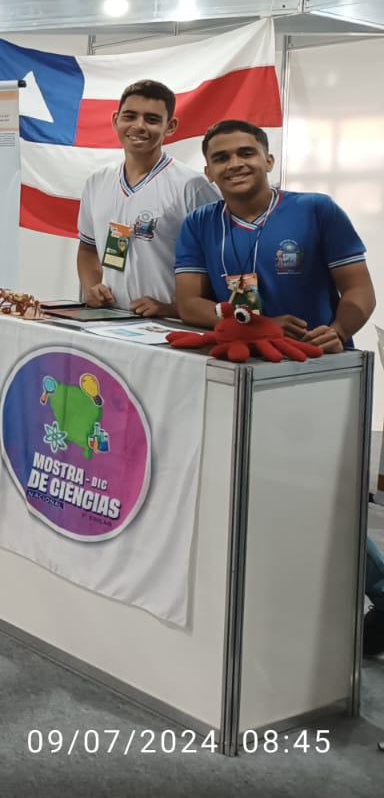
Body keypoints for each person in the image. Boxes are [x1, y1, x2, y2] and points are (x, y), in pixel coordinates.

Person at [173, 119, 382, 651]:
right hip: (241, 376)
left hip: (316, 374)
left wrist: (338, 330)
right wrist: (248, 321)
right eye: (222, 157)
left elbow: (360, 291)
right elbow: (189, 302)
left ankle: (376, 594)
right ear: (208, 171)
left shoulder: (316, 210)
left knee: (323, 496)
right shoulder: (200, 223)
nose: (235, 164)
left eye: (246, 152)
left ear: (268, 160)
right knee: (262, 495)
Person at [76, 80, 218, 317]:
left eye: (152, 119)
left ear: (170, 126)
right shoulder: (97, 182)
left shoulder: (192, 186)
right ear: (116, 120)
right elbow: (88, 248)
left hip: (172, 325)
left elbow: (220, 263)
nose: (139, 126)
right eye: (130, 116)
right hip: (110, 319)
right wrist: (92, 287)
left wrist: (173, 309)